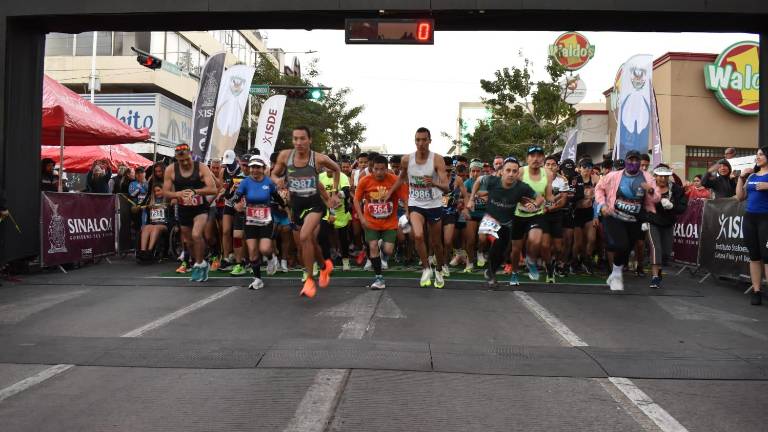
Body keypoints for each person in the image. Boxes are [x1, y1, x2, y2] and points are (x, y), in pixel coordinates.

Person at [271, 126, 341, 298]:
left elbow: (336, 169)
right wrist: (277, 180)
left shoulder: (319, 158)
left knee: (304, 236)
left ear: (310, 140)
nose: (299, 142)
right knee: (306, 242)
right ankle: (324, 266)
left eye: (302, 138)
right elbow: (273, 174)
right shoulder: (285, 156)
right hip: (296, 206)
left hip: (314, 205)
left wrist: (334, 194)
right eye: (295, 138)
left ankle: (309, 281)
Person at [386, 127, 450, 288]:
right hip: (416, 203)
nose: (420, 143)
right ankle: (426, 268)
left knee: (436, 243)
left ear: (430, 141)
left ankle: (439, 269)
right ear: (415, 141)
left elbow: (446, 187)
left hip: (434, 204)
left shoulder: (437, 159)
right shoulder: (407, 160)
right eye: (417, 140)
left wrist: (433, 182)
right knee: (418, 236)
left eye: (424, 140)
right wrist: (389, 193)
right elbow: (401, 179)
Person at [467, 157, 538, 288]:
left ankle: (490, 271)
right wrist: (471, 199)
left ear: (518, 173)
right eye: (508, 170)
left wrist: (533, 205)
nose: (511, 174)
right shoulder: (492, 180)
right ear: (502, 172)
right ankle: (490, 272)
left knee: (504, 252)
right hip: (491, 218)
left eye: (514, 171)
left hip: (507, 223)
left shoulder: (522, 187)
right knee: (497, 242)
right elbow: (478, 180)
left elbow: (539, 198)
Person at [594, 150, 659, 291]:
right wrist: (602, 205)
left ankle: (615, 273)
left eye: (636, 160)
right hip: (614, 215)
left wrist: (650, 190)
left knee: (627, 248)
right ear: (625, 161)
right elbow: (599, 189)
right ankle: (616, 275)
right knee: (621, 245)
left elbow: (656, 198)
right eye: (630, 160)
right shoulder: (614, 176)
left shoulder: (647, 177)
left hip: (634, 219)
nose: (633, 163)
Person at [163, 143, 218, 282]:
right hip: (183, 208)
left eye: (187, 159)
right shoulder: (171, 170)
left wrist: (195, 192)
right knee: (188, 241)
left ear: (191, 155)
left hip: (200, 208)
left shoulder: (202, 167)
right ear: (176, 158)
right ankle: (201, 262)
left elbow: (213, 189)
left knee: (196, 234)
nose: (186, 163)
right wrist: (178, 194)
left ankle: (199, 265)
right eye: (181, 160)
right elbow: (165, 192)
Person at [354, 155, 408, 289]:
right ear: (372, 168)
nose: (379, 172)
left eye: (382, 169)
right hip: (371, 221)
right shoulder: (365, 180)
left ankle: (381, 249)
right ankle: (379, 279)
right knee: (373, 246)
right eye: (376, 169)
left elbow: (405, 198)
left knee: (388, 250)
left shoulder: (394, 180)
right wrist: (361, 218)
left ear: (386, 168)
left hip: (389, 222)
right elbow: (356, 200)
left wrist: (407, 213)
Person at [231, 155, 284, 290]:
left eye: (258, 167)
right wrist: (236, 204)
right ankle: (258, 279)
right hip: (250, 220)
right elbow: (235, 197)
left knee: (264, 249)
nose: (255, 170)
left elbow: (277, 197)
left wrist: (284, 206)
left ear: (263, 168)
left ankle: (271, 258)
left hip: (266, 220)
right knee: (253, 251)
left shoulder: (268, 182)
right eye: (252, 167)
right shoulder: (245, 182)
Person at [509, 145, 554, 285]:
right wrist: (523, 201)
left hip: (537, 214)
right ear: (527, 158)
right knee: (516, 249)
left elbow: (549, 196)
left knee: (536, 240)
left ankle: (530, 260)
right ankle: (514, 273)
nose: (536, 159)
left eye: (539, 156)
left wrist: (550, 203)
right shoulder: (520, 172)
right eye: (532, 156)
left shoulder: (548, 174)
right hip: (518, 214)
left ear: (543, 158)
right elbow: (511, 191)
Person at [644, 164, 688, 289]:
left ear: (669, 176)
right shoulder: (649, 187)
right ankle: (655, 277)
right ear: (655, 176)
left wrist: (672, 206)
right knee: (656, 247)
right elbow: (641, 203)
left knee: (666, 252)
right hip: (652, 221)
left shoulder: (676, 189)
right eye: (660, 176)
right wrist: (643, 219)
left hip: (668, 223)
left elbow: (683, 207)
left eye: (665, 176)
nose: (662, 179)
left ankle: (659, 270)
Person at [735, 147, 768, 306]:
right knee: (754, 256)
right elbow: (740, 197)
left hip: (766, 219)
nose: (758, 157)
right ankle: (756, 291)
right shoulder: (753, 175)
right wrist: (741, 178)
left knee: (767, 256)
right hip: (750, 218)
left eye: (761, 154)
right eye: (757, 155)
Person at [441, 156, 470, 277]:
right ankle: (436, 261)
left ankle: (444, 265)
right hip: (435, 213)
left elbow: (466, 195)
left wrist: (466, 209)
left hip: (450, 213)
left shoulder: (457, 179)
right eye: (445, 170)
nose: (447, 173)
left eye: (449, 170)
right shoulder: (434, 178)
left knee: (448, 241)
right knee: (435, 242)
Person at [463, 160, 489, 272]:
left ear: (481, 171)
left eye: (478, 171)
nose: (475, 173)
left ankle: (480, 252)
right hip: (472, 213)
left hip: (484, 213)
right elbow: (462, 196)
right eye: (473, 171)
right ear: (470, 171)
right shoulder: (467, 183)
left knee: (482, 239)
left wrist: (474, 196)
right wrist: (479, 195)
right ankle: (469, 261)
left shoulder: (487, 182)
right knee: (470, 240)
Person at [136, 184, 171, 262]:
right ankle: (143, 251)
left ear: (163, 190)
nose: (156, 193)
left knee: (156, 227)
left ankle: (150, 251)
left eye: (158, 190)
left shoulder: (168, 200)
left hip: (164, 224)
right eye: (155, 191)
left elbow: (172, 214)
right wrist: (148, 208)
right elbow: (144, 208)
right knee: (146, 227)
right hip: (153, 223)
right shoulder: (151, 200)